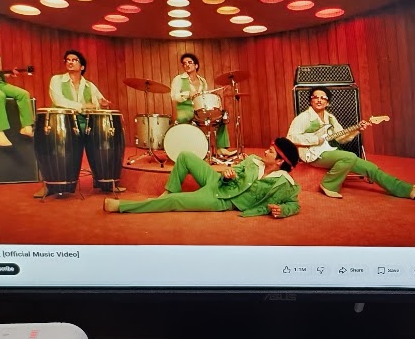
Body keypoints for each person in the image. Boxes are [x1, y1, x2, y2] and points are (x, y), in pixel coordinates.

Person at [286, 87, 415, 200]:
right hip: (312, 154)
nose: (319, 100)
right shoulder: (303, 117)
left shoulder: (330, 117)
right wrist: (315, 140)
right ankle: (329, 184)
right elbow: (291, 137)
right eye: (315, 97)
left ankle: (409, 190)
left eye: (323, 98)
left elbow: (341, 138)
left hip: (327, 151)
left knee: (370, 168)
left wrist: (357, 129)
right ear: (310, 101)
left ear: (328, 102)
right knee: (349, 156)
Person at [104, 138, 300, 217]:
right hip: (218, 182)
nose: (265, 151)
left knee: (175, 202)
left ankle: (122, 206)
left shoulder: (283, 183)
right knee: (185, 156)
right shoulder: (253, 160)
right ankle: (168, 191)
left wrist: (283, 210)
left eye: (271, 151)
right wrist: (228, 175)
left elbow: (294, 204)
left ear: (280, 161)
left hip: (222, 199)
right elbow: (235, 171)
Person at [169, 52, 229, 152]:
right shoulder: (178, 79)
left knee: (221, 116)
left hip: (199, 110)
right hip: (184, 110)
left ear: (196, 65)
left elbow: (204, 97)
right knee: (188, 117)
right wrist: (188, 94)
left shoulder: (202, 81)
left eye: (189, 62)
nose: (187, 65)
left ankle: (221, 148)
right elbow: (174, 97)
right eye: (184, 63)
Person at [48, 50, 111, 129]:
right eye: (68, 60)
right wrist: (82, 106)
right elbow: (59, 101)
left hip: (86, 127)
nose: (70, 62)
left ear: (82, 67)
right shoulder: (56, 80)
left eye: (74, 60)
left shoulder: (90, 86)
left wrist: (102, 105)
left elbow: (98, 105)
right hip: (62, 125)